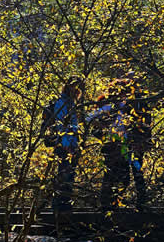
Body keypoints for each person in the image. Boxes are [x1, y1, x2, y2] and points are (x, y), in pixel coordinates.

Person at [87, 75, 150, 210]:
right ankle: (107, 204)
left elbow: (145, 123)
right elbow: (91, 120)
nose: (124, 93)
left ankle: (135, 203)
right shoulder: (107, 104)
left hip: (130, 146)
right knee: (112, 175)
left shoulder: (135, 103)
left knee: (134, 173)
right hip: (113, 146)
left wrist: (143, 139)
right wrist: (103, 135)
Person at [41, 77, 83, 212]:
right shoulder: (62, 103)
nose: (77, 91)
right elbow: (61, 125)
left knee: (68, 174)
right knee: (64, 174)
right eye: (75, 87)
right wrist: (66, 144)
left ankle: (64, 204)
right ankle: (59, 204)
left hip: (71, 144)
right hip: (64, 145)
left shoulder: (71, 103)